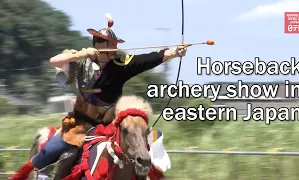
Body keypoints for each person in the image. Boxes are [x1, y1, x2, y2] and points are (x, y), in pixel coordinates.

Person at [10, 13, 187, 180]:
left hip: (108, 126)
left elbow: (149, 59)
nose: (114, 48)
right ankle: (43, 175)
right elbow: (54, 61)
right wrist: (82, 54)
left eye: (114, 43)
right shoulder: (80, 61)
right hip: (78, 124)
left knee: (141, 146)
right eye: (107, 42)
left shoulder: (121, 65)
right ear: (97, 44)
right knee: (54, 150)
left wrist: (174, 53)